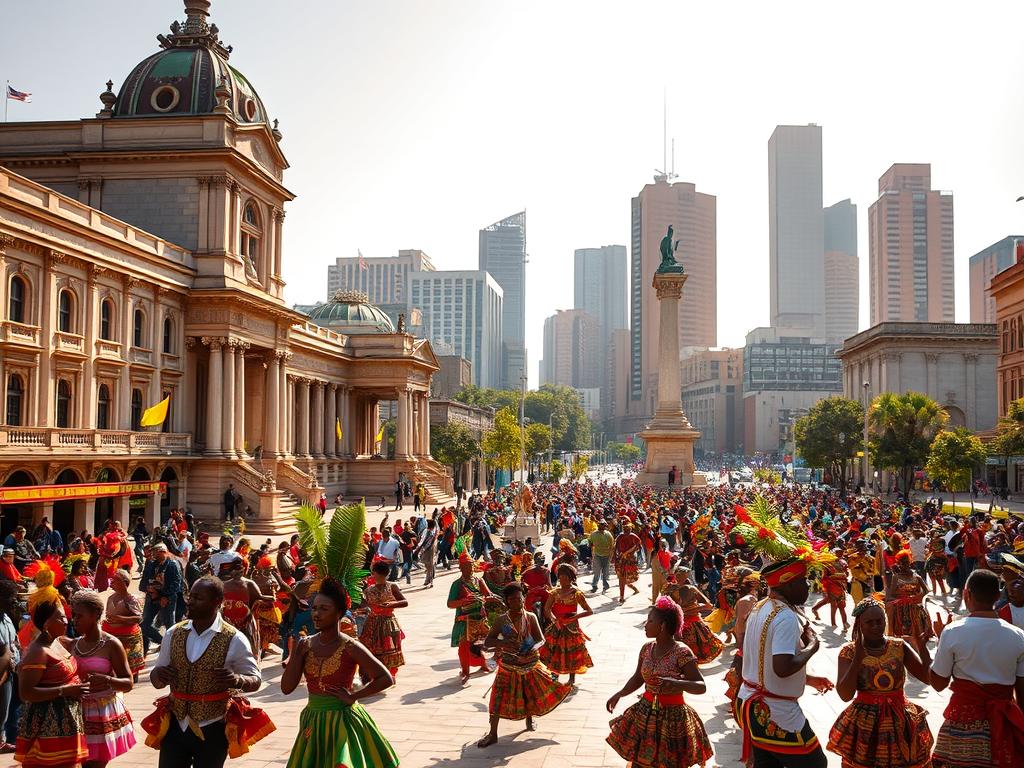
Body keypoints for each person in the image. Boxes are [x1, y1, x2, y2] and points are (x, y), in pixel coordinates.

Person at [144, 576, 273, 767]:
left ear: (217, 602)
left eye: (198, 598)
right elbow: (156, 677)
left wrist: (237, 680)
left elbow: (255, 679)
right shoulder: (173, 633)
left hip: (213, 727)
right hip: (176, 725)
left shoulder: (235, 639)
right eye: (190, 596)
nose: (190, 601)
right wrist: (159, 675)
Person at [281, 576, 398, 768]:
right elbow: (286, 688)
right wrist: (296, 654)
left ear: (340, 613)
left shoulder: (350, 647)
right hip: (313, 720)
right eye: (314, 608)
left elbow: (385, 678)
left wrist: (354, 696)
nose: (316, 614)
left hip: (343, 723)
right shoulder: (305, 645)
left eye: (324, 609)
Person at [736, 556, 835, 768]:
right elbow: (782, 668)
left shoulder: (758, 607)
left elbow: (763, 662)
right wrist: (813, 645)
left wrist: (807, 679)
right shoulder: (785, 616)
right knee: (816, 764)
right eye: (803, 581)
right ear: (788, 584)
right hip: (774, 711)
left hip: (750, 702)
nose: (808, 586)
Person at [929, 568, 1024, 768]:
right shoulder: (1018, 637)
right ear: (998, 596)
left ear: (967, 594)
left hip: (962, 722)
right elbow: (1022, 694)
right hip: (1004, 723)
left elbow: (938, 683)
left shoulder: (952, 631)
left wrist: (940, 642)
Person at [606, 596, 713, 768]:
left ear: (662, 625)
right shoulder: (647, 648)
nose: (645, 624)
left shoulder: (682, 652)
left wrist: (678, 684)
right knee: (639, 761)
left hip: (673, 719)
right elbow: (638, 677)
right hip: (645, 712)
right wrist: (620, 694)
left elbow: (701, 686)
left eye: (650, 621)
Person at [827, 596, 933, 768]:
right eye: (869, 623)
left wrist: (921, 646)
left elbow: (927, 678)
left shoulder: (899, 646)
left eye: (879, 621)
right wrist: (858, 659)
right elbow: (845, 695)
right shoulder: (849, 652)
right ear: (859, 625)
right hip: (865, 724)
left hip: (900, 719)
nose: (876, 626)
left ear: (885, 620)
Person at [477, 582, 571, 748]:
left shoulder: (531, 617)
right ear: (507, 601)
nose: (517, 602)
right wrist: (503, 643)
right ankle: (492, 733)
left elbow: (540, 639)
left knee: (528, 694)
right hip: (508, 664)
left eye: (519, 598)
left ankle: (529, 718)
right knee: (497, 698)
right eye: (512, 599)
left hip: (529, 663)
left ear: (523, 598)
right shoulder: (501, 620)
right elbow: (488, 641)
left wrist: (531, 648)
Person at [64, 590, 136, 767]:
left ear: (95, 614)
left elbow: (128, 683)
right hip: (76, 715)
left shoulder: (112, 644)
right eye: (74, 615)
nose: (75, 620)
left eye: (79, 616)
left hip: (101, 716)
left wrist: (107, 680)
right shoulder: (72, 644)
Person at [15, 600, 88, 768]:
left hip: (67, 723)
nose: (66, 621)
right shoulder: (38, 652)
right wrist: (65, 691)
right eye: (61, 617)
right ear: (46, 623)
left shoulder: (57, 641)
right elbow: (26, 693)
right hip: (48, 728)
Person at [541, 564, 594, 686]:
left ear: (571, 578)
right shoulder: (554, 593)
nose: (562, 580)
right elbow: (547, 608)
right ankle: (554, 676)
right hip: (557, 626)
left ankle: (571, 678)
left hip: (572, 628)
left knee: (572, 653)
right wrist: (554, 620)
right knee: (554, 651)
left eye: (565, 577)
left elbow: (589, 611)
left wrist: (574, 618)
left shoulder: (576, 593)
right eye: (560, 577)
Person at [447, 554, 494, 683]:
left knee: (481, 644)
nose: (470, 568)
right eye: (466, 566)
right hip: (465, 620)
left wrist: (489, 598)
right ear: (461, 568)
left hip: (480, 618)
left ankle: (483, 664)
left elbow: (488, 594)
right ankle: (465, 671)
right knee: (464, 647)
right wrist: (463, 601)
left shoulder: (479, 580)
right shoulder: (457, 584)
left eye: (471, 565)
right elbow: (450, 604)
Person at [662, 566, 724, 665]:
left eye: (683, 575)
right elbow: (664, 607)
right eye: (680, 575)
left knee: (691, 651)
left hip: (691, 623)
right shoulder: (670, 589)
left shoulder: (689, 589)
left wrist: (687, 610)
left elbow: (709, 606)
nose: (682, 577)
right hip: (680, 623)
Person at [358, 561, 408, 677]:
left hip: (387, 623)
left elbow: (404, 602)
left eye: (374, 572)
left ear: (376, 573)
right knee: (371, 649)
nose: (372, 575)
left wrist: (391, 605)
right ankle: (377, 675)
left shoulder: (392, 586)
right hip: (372, 623)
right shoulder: (368, 590)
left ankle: (388, 675)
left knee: (388, 650)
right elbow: (366, 606)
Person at [102, 570, 144, 682]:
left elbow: (139, 619)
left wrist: (120, 618)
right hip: (114, 635)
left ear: (124, 583)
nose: (111, 583)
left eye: (115, 581)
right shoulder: (111, 598)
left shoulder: (131, 599)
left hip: (128, 638)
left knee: (130, 665)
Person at [140, 544, 182, 655]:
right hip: (151, 598)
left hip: (166, 599)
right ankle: (163, 643)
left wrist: (165, 596)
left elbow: (176, 584)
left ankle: (173, 649)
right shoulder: (151, 564)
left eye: (156, 552)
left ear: (163, 552)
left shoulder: (172, 565)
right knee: (144, 624)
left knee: (169, 625)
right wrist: (148, 589)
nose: (153, 555)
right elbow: (143, 582)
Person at [884, 550, 931, 641]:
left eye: (906, 562)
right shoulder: (896, 577)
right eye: (901, 563)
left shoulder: (916, 576)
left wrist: (917, 597)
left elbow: (927, 591)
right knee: (902, 634)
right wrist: (902, 599)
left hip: (915, 608)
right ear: (898, 564)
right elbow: (892, 594)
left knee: (917, 635)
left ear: (910, 562)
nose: (904, 565)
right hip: (901, 610)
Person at [0, 580, 21, 755]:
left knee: (5, 710)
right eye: (11, 598)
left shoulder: (6, 618)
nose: (15, 601)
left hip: (11, 671)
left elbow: (13, 642)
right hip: (2, 672)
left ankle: (2, 740)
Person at [613, 523, 642, 604]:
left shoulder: (633, 536)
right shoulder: (620, 536)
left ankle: (632, 589)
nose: (626, 531)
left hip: (629, 560)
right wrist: (616, 556)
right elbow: (615, 547)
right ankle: (622, 596)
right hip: (621, 559)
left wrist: (629, 553)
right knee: (622, 577)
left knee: (626, 577)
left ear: (630, 530)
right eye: (625, 529)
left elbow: (638, 546)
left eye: (628, 529)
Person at [588, 520, 613, 593]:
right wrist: (591, 548)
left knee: (605, 572)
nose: (603, 526)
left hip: (606, 555)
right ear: (599, 525)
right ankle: (594, 585)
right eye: (602, 525)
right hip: (597, 555)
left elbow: (612, 545)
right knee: (597, 572)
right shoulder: (593, 534)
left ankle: (605, 585)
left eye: (604, 525)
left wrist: (611, 555)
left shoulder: (608, 534)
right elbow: (590, 542)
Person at [413, 518, 437, 587]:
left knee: (429, 566)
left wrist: (419, 549)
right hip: (428, 550)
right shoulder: (428, 532)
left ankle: (429, 581)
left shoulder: (428, 532)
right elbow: (424, 542)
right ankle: (429, 580)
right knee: (428, 565)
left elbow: (423, 542)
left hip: (428, 550)